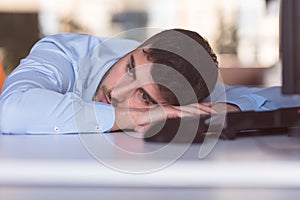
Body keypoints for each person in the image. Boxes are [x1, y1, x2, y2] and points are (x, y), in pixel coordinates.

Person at [0, 28, 299, 134]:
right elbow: (11, 110)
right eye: (129, 67)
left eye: (144, 96)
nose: (117, 90)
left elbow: (281, 97)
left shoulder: (192, 91)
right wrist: (134, 115)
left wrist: (230, 109)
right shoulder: (63, 53)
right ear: (136, 48)